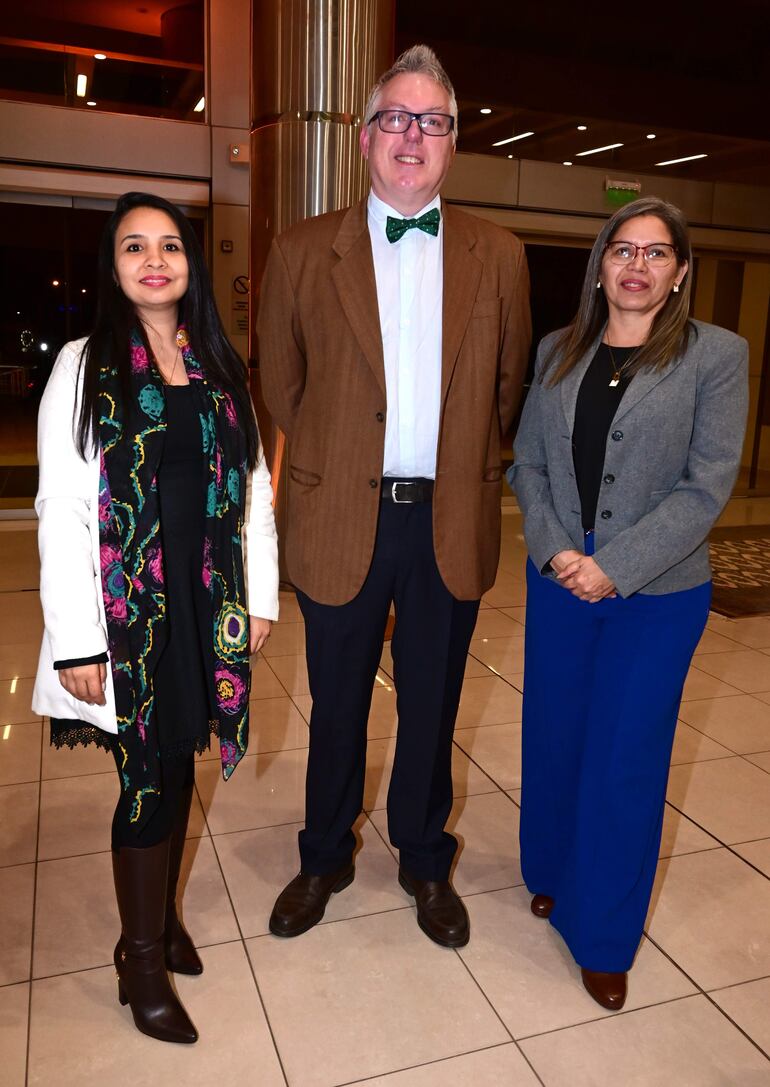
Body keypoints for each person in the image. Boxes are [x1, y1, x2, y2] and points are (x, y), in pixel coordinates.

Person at [258, 44, 530, 948]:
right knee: (335, 702)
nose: (414, 136)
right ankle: (324, 854)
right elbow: (283, 383)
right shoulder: (301, 250)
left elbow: (507, 387)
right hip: (341, 514)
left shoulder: (500, 254)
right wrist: (339, 461)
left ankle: (422, 855)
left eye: (434, 121)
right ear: (365, 137)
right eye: (398, 119)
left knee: (433, 701)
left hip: (447, 519)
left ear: (453, 142)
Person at [32, 192, 279, 1043]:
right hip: (124, 612)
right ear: (113, 263)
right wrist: (75, 640)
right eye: (134, 245)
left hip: (204, 596)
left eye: (169, 244)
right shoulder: (84, 362)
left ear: (189, 263)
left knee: (180, 764)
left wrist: (258, 598)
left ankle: (165, 918)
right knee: (145, 778)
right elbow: (60, 503)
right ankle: (139, 956)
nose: (154, 258)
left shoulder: (216, 358)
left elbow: (252, 486)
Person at [509, 196, 748, 1009]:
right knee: (555, 736)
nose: (637, 265)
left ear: (680, 271)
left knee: (624, 759)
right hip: (561, 584)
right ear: (600, 264)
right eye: (623, 249)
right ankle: (549, 871)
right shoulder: (558, 350)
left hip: (657, 597)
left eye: (656, 253)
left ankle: (603, 934)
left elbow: (706, 486)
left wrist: (614, 565)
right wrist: (556, 551)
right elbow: (528, 466)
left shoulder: (717, 356)